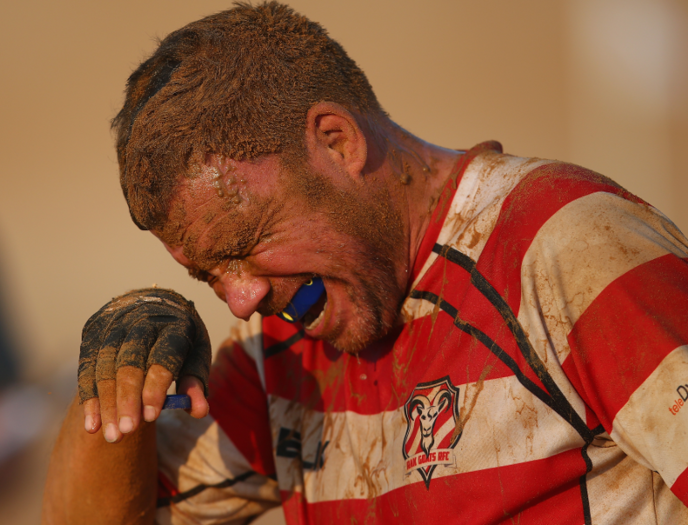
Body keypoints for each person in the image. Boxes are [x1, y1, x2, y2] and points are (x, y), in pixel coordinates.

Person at [42, 2, 688, 524]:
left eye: (243, 245)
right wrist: (119, 374)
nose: (238, 299)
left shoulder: (566, 247)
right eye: (208, 274)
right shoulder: (277, 354)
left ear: (336, 141)